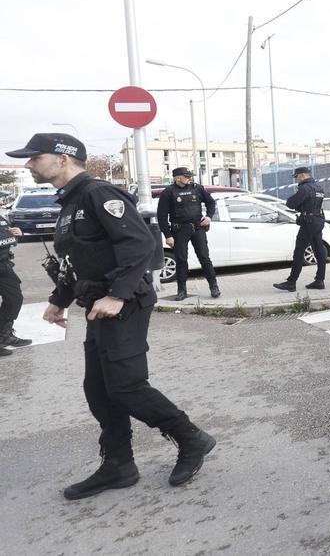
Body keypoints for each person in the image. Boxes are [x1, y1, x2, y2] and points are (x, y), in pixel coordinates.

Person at [7, 133, 215, 499]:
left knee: (127, 386)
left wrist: (118, 295)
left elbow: (139, 243)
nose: (28, 164)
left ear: (63, 158)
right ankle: (119, 465)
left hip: (125, 303)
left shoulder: (97, 194)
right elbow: (78, 260)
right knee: (99, 391)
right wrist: (59, 299)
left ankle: (191, 439)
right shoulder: (71, 201)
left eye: (34, 157)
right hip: (97, 305)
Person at [156, 167, 220, 301]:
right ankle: (181, 290)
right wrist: (167, 235)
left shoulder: (197, 188)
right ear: (178, 178)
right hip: (179, 231)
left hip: (197, 228)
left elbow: (211, 202)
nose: (189, 179)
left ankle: (214, 287)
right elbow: (162, 216)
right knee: (181, 261)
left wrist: (208, 216)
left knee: (204, 258)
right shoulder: (168, 192)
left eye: (190, 177)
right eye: (187, 177)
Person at [273, 167, 327, 292]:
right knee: (319, 252)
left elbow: (291, 203)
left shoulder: (305, 188)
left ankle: (291, 282)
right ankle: (320, 280)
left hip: (308, 223)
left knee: (298, 252)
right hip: (318, 221)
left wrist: (297, 202)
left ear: (302, 175)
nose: (296, 179)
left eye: (297, 177)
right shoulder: (319, 187)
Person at [0, 216, 28, 356]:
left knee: (14, 299)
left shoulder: (2, 219)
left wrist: (17, 234)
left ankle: (4, 336)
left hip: (4, 264)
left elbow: (8, 238)